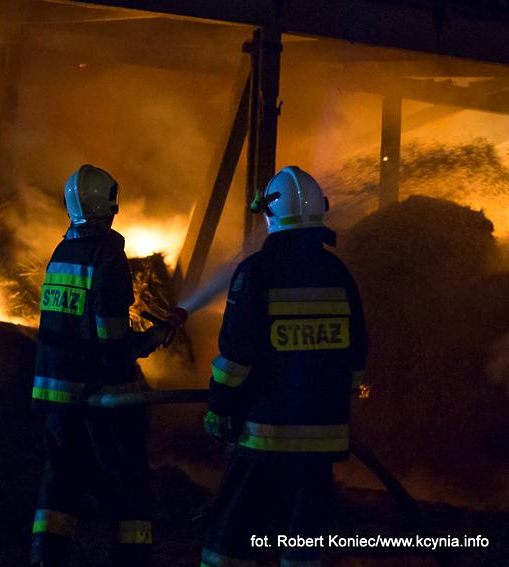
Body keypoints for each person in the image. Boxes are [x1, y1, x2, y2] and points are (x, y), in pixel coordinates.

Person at [200, 166, 368, 567]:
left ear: (271, 214)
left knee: (233, 535)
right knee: (305, 542)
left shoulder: (257, 272)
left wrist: (219, 406)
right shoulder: (338, 273)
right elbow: (357, 354)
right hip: (323, 439)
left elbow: (237, 355)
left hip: (265, 436)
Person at [30, 164, 168, 567]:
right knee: (129, 477)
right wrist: (151, 339)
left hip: (55, 389)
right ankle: (133, 556)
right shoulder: (107, 256)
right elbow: (111, 339)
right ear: (109, 203)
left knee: (60, 481)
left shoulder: (62, 252)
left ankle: (46, 557)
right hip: (98, 392)